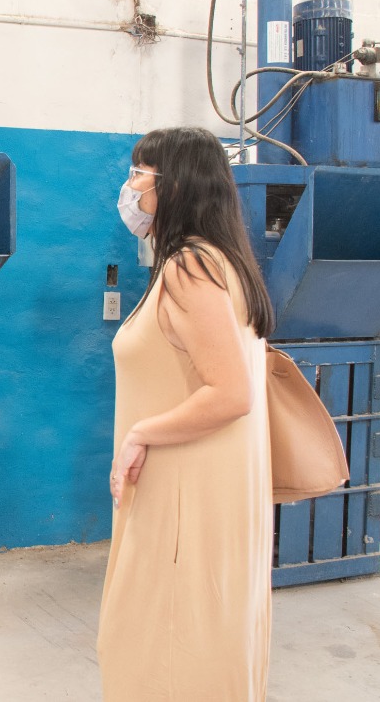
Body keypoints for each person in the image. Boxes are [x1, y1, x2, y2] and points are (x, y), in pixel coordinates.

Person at [97, 126, 275, 700]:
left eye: (139, 175)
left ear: (173, 185)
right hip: (203, 483)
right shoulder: (222, 262)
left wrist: (141, 433)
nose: (131, 189)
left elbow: (231, 392)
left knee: (163, 642)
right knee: (195, 636)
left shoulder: (190, 269)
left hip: (184, 486)